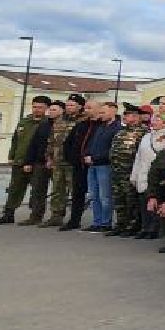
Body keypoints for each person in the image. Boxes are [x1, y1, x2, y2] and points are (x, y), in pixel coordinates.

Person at [0, 96, 53, 226]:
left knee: (37, 190)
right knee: (14, 189)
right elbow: (15, 140)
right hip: (19, 160)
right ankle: (8, 214)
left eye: (40, 107)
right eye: (34, 107)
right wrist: (11, 155)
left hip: (37, 162)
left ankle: (36, 215)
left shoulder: (48, 123)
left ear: (47, 108)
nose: (37, 110)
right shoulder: (25, 121)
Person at [107, 104, 149, 238]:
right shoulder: (120, 132)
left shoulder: (144, 132)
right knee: (119, 200)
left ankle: (132, 225)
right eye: (125, 115)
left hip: (130, 172)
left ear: (137, 117)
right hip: (117, 172)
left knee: (131, 201)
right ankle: (120, 224)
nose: (126, 118)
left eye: (130, 115)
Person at [81, 101, 121, 233]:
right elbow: (91, 143)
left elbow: (112, 149)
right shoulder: (101, 127)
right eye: (100, 112)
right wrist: (87, 154)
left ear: (113, 111)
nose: (100, 115)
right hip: (92, 165)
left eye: (103, 112)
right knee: (94, 195)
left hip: (105, 165)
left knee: (105, 196)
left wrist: (95, 158)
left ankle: (106, 222)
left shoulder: (117, 128)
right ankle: (96, 221)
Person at [59, 94, 97, 230]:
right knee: (77, 193)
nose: (87, 110)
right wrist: (71, 158)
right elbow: (68, 143)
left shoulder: (100, 126)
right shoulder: (81, 125)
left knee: (99, 194)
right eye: (86, 108)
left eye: (90, 108)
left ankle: (101, 222)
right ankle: (74, 220)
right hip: (78, 165)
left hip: (94, 165)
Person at [130, 109, 165, 240]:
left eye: (158, 119)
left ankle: (155, 228)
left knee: (155, 200)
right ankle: (145, 227)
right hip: (143, 173)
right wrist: (134, 175)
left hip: (157, 174)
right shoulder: (147, 136)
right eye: (154, 119)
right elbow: (138, 157)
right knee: (143, 202)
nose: (155, 121)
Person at [44, 97, 80, 227]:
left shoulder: (81, 121)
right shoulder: (59, 121)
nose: (69, 107)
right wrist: (49, 157)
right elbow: (51, 141)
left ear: (79, 107)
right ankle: (56, 216)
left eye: (72, 105)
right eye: (68, 105)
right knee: (57, 190)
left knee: (74, 190)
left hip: (72, 163)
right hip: (58, 161)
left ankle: (75, 218)